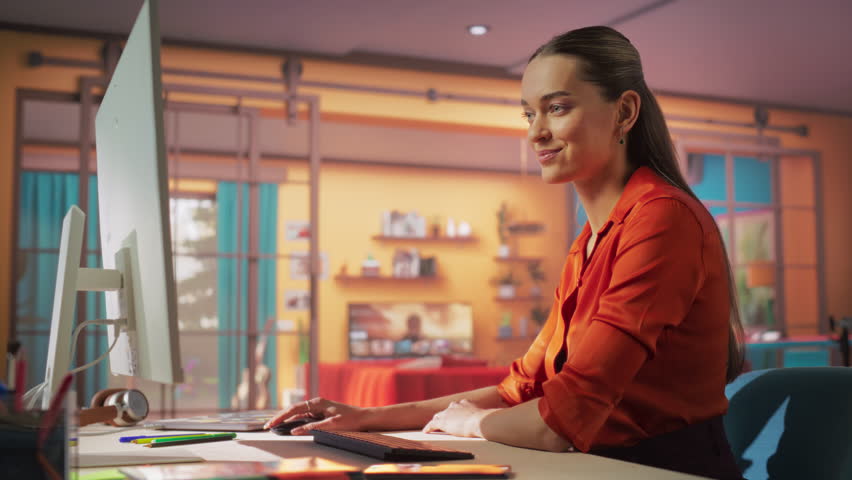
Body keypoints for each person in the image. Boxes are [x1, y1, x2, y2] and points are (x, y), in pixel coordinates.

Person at [265, 25, 745, 480]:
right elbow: (521, 389)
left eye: (556, 108)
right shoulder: (590, 242)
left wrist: (471, 424)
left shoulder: (663, 219)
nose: (535, 132)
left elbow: (561, 419)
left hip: (660, 471)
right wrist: (367, 417)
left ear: (624, 113)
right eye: (529, 113)